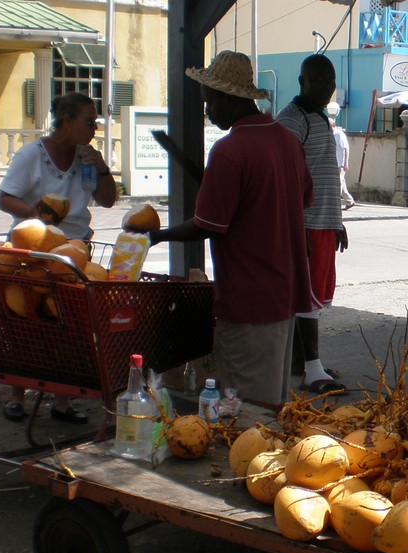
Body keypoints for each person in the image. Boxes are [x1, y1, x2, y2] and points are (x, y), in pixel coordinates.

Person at [127, 51, 313, 407]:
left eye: (211, 103)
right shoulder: (287, 141)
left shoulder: (230, 151)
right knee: (272, 400)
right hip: (286, 293)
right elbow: (299, 198)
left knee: (243, 409)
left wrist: (159, 235)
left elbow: (206, 225)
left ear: (230, 99)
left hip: (249, 297)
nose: (208, 112)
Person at [0, 91, 118, 424]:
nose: (94, 128)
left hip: (74, 251)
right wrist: (34, 212)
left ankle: (63, 401)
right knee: (25, 320)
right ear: (66, 122)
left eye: (95, 122)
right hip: (33, 251)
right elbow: (5, 198)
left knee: (70, 326)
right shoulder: (31, 156)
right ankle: (16, 394)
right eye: (89, 122)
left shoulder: (86, 160)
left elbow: (107, 201)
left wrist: (103, 167)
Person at [276, 55, 349, 395]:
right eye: (317, 79)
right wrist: (297, 226)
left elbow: (322, 173)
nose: (325, 86)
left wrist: (338, 222)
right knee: (308, 300)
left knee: (313, 297)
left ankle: (301, 362)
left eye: (329, 80)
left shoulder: (318, 115)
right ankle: (312, 370)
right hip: (306, 222)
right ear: (301, 80)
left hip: (323, 221)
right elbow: (286, 176)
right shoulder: (293, 119)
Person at [331, 117, 356, 210]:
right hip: (334, 163)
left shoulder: (339, 134)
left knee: (338, 183)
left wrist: (346, 162)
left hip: (340, 163)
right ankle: (350, 201)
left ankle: (336, 204)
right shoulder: (331, 134)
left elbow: (346, 148)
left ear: (332, 126)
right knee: (342, 183)